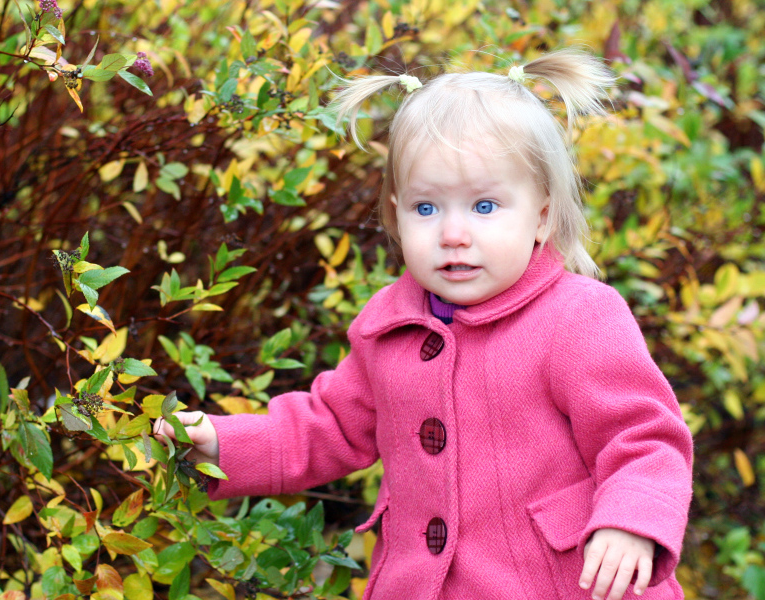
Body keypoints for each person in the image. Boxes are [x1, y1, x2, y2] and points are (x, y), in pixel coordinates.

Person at [155, 48, 693, 600]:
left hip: (562, 584)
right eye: (426, 208)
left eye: (484, 207)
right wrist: (223, 444)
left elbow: (643, 437)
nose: (452, 233)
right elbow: (330, 426)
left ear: (542, 216)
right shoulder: (389, 325)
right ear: (395, 214)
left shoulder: (578, 317)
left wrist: (632, 520)